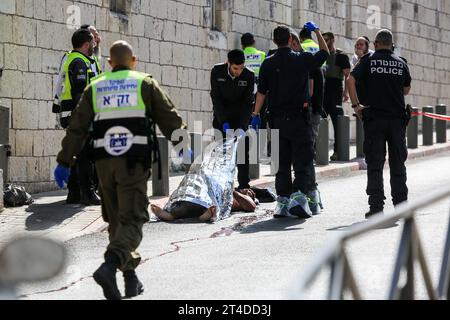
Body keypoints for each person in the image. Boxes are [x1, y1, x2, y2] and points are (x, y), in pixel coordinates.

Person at [54, 40, 187, 299]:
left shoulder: (96, 87)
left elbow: (77, 128)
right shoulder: (144, 83)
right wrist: (182, 145)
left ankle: (129, 279)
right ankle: (110, 265)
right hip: (133, 164)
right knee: (134, 218)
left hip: (103, 164)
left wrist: (64, 161)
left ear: (110, 64)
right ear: (133, 61)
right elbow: (169, 116)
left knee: (116, 221)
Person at [252, 23, 329, 218]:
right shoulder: (301, 59)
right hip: (298, 119)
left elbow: (261, 92)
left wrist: (254, 114)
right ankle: (299, 197)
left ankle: (283, 202)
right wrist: (317, 31)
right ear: (290, 40)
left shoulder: (268, 62)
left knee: (281, 163)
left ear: (274, 41)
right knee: (302, 160)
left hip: (276, 120)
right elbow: (324, 53)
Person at [347, 29, 412, 219]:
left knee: (375, 165)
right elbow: (406, 89)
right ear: (392, 44)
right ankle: (400, 206)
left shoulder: (367, 61)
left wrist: (356, 105)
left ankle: (376, 208)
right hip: (397, 121)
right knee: (398, 164)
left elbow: (350, 80)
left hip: (374, 119)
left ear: (375, 43)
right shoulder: (401, 63)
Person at [57, 29, 101, 205]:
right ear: (86, 44)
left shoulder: (80, 59)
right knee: (85, 155)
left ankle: (74, 193)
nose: (95, 45)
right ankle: (87, 193)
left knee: (80, 153)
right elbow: (79, 94)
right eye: (93, 42)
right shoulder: (79, 62)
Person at [210, 49, 255, 191]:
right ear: (228, 63)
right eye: (235, 68)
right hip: (222, 119)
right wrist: (223, 122)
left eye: (241, 68)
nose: (238, 72)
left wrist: (243, 126)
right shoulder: (217, 72)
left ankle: (243, 186)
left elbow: (248, 103)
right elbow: (216, 99)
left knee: (242, 153)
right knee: (222, 154)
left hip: (240, 119)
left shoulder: (249, 75)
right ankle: (222, 186)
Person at [321, 32, 351, 161]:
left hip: (335, 90)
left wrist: (346, 93)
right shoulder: (321, 55)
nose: (324, 42)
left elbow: (347, 75)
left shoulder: (341, 56)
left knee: (337, 122)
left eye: (326, 39)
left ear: (332, 40)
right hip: (323, 90)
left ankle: (337, 151)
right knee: (320, 121)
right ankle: (318, 152)